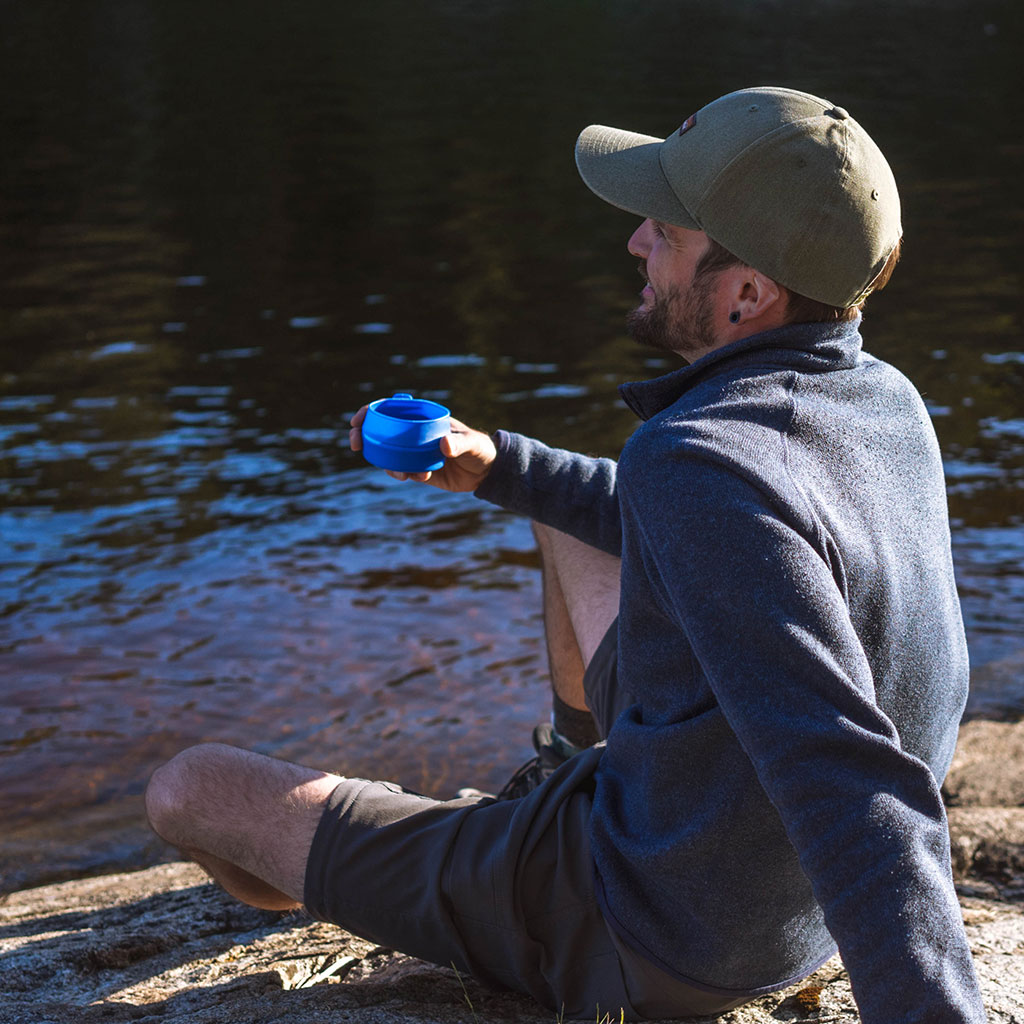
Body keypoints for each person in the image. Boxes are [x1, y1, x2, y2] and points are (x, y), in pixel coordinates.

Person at [144, 87, 987, 1023]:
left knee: (187, 788)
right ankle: (568, 770)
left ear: (749, 292)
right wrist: (500, 462)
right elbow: (723, 537)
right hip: (774, 894)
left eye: (665, 231)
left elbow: (845, 777)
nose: (635, 242)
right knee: (562, 513)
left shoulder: (694, 459)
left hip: (651, 933)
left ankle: (364, 877)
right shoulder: (885, 403)